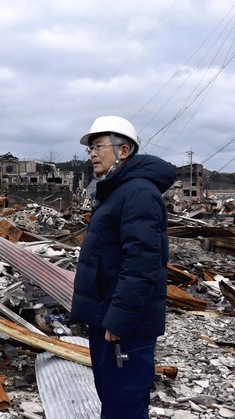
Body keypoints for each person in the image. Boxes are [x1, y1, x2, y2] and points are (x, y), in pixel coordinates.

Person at [71, 116, 176, 418]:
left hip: (124, 327)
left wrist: (119, 320)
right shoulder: (117, 191)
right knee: (113, 401)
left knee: (124, 407)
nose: (92, 153)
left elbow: (143, 264)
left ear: (124, 151)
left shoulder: (138, 193)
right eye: (90, 147)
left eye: (99, 145)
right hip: (108, 321)